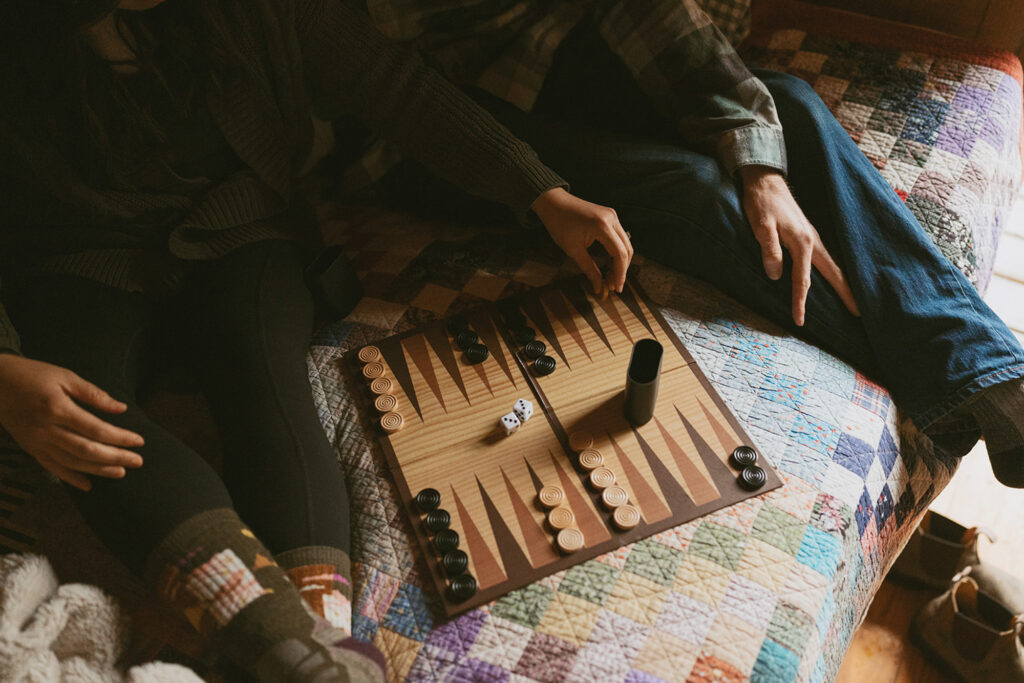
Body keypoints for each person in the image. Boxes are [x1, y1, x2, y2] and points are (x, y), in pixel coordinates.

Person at [0, 0, 637, 680]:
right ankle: (305, 657)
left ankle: (313, 649)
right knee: (82, 429)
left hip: (239, 230)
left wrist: (540, 192)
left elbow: (396, 85)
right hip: (70, 261)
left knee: (266, 382)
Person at [357, 0, 1024, 486]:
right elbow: (388, 89)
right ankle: (941, 378)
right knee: (693, 185)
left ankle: (993, 376)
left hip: (525, 53)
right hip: (417, 122)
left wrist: (762, 168)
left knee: (784, 103)